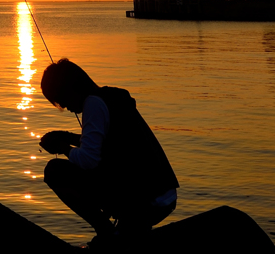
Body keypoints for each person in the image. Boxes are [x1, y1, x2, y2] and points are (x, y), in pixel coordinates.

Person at [38, 59, 178, 240]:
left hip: (146, 201)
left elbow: (89, 160)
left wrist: (62, 147)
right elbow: (108, 144)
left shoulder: (93, 104)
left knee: (55, 171)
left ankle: (106, 232)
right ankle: (124, 226)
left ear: (69, 88)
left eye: (61, 99)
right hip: (163, 193)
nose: (64, 107)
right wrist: (66, 137)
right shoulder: (111, 98)